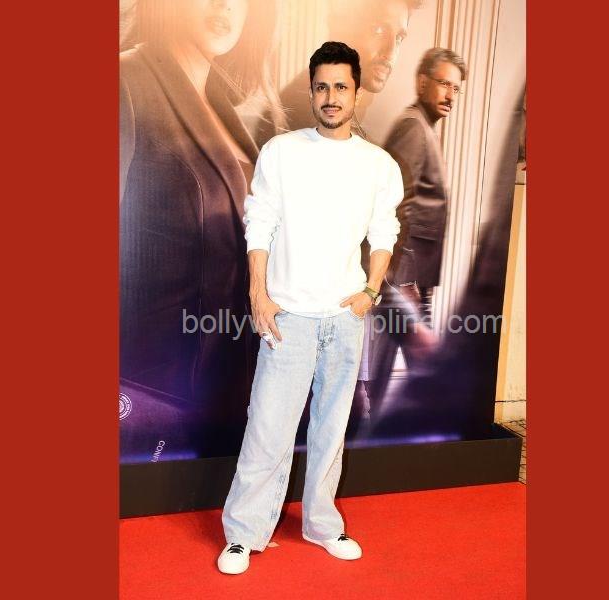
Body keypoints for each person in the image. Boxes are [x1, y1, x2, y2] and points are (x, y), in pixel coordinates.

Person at [217, 41, 404, 575]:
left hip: (344, 319)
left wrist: (370, 293)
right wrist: (259, 293)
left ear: (356, 92)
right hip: (289, 318)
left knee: (330, 430)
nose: (331, 97)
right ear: (311, 91)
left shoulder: (378, 165)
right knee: (267, 429)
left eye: (341, 86)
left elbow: (384, 232)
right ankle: (243, 535)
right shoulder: (282, 151)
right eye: (322, 86)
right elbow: (259, 222)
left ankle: (323, 525)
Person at [118, 0, 284, 460]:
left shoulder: (223, 108)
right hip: (154, 398)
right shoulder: (125, 81)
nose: (224, 5)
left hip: (228, 393)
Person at [358, 47, 467, 416]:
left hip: (412, 283)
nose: (451, 95)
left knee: (388, 382)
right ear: (422, 82)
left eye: (456, 88)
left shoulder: (424, 128)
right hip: (399, 282)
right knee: (375, 383)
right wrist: (401, 286)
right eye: (444, 84)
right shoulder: (413, 128)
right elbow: (392, 209)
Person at [254, 0, 418, 146]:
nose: (390, 53)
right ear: (346, 28)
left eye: (399, 38)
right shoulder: (311, 109)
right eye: (378, 30)